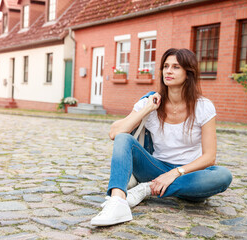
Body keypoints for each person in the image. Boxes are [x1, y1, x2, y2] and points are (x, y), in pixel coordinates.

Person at [90, 48, 232, 226]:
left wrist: (175, 173)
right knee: (123, 138)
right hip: (155, 168)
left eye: (175, 67)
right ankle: (118, 201)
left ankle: (148, 189)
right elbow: (115, 133)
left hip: (188, 174)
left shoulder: (203, 107)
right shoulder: (150, 103)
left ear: (188, 74)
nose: (168, 71)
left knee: (223, 176)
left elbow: (209, 157)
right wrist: (147, 109)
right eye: (165, 66)